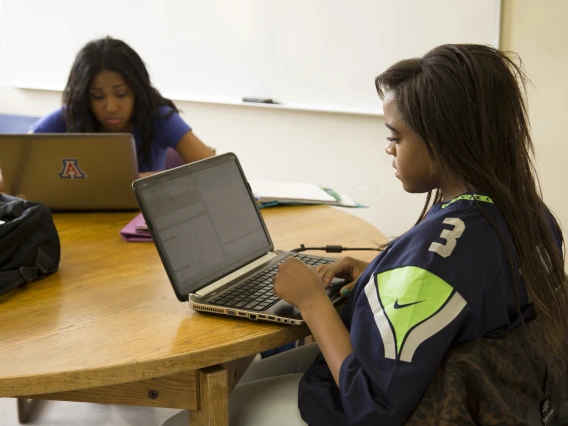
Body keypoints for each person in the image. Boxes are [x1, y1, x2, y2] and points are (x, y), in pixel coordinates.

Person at [163, 44, 568, 426]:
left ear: (444, 142)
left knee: (187, 417)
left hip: (387, 408)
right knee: (245, 382)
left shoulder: (433, 259)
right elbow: (473, 291)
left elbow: (372, 407)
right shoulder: (530, 215)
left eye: (395, 136)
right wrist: (383, 274)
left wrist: (311, 301)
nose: (389, 149)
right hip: (479, 394)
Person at [29, 37, 215, 174]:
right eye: (97, 96)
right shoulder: (68, 117)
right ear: (84, 98)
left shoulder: (159, 117)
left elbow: (215, 170)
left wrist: (146, 181)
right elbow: (9, 177)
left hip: (141, 223)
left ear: (137, 90)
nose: (111, 107)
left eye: (121, 94)